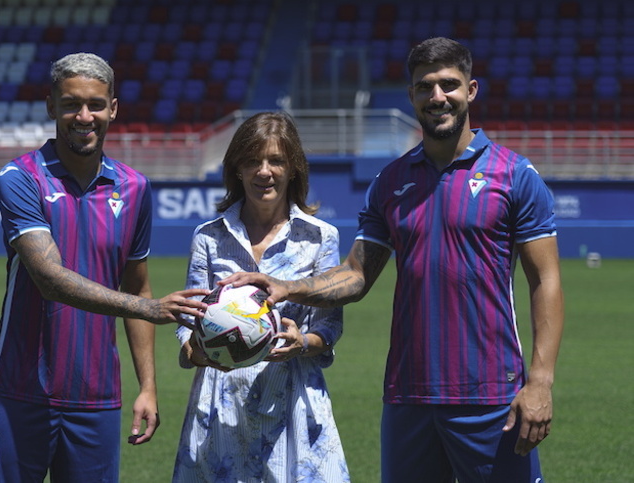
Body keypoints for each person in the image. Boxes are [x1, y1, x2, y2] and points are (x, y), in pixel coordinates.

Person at [223, 38, 564, 482]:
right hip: (408, 396)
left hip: (490, 395)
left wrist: (539, 381)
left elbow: (547, 281)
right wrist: (288, 287)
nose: (437, 97)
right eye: (425, 87)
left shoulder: (515, 175)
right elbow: (357, 275)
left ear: (471, 90)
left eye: (449, 85)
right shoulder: (391, 181)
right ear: (411, 96)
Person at [0, 52, 208, 482]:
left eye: (95, 104)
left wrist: (148, 386)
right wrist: (150, 310)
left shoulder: (135, 188)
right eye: (70, 104)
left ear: (113, 108)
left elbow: (138, 286)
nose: (83, 116)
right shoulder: (21, 178)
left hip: (98, 399)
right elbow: (49, 279)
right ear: (51, 106)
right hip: (21, 393)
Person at [172, 111, 350, 482]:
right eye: (252, 160)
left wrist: (303, 342)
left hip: (294, 401)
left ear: (294, 169)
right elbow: (188, 324)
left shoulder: (320, 237)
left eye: (276, 160)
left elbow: (330, 325)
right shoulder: (208, 236)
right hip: (222, 405)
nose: (263, 171)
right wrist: (196, 351)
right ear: (236, 169)